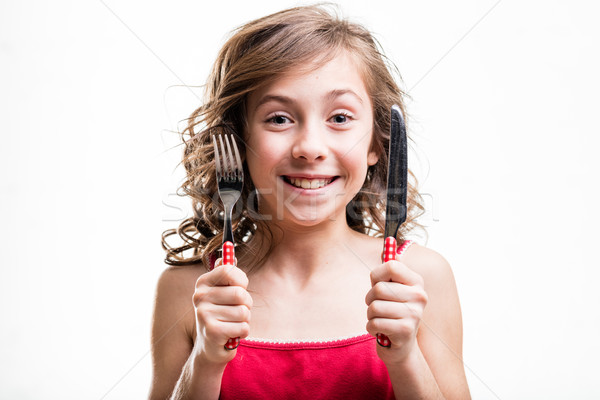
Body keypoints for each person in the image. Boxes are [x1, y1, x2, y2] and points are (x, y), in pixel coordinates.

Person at [149, 5, 470, 400]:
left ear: (375, 142)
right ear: (237, 139)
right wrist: (204, 362)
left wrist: (405, 359)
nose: (310, 149)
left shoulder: (421, 278)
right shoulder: (187, 291)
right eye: (279, 119)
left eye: (339, 118)